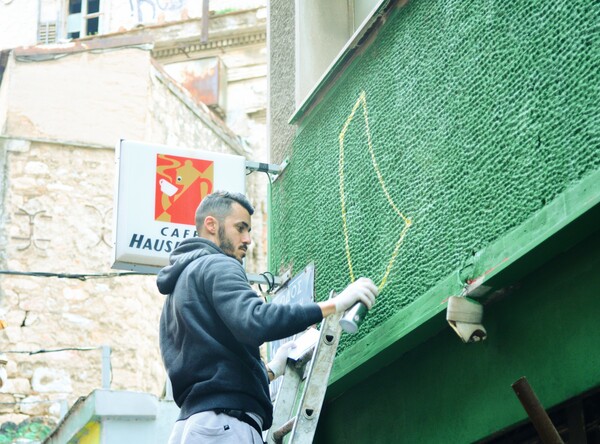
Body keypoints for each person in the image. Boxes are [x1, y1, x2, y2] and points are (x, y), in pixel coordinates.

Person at [158, 190, 378, 444]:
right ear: (211, 225)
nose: (248, 239)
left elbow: (213, 369)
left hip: (193, 427)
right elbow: (256, 320)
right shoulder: (219, 265)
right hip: (225, 426)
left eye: (249, 230)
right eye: (240, 228)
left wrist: (272, 369)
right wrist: (336, 304)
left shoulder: (176, 291)